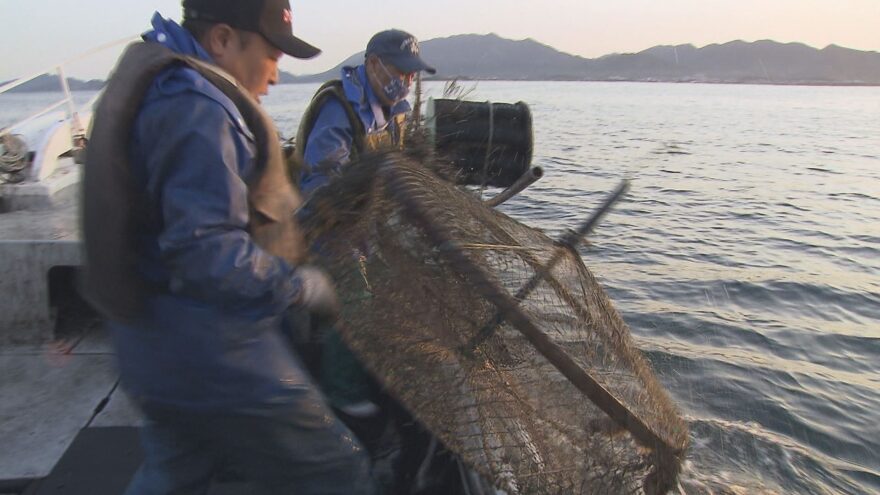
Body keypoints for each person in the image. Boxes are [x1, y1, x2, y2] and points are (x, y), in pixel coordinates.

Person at [81, 1, 375, 493]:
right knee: (338, 471)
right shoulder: (200, 108)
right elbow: (207, 257)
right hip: (212, 353)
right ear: (222, 39)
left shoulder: (159, 77)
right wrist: (299, 286)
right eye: (272, 56)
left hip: (146, 345)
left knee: (175, 473)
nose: (277, 77)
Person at [295, 28, 436, 196]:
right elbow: (318, 185)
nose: (407, 82)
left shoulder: (398, 112)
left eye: (412, 75)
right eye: (401, 71)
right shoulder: (339, 109)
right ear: (373, 64)